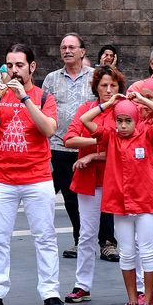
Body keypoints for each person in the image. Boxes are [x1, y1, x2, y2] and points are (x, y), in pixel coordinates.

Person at [0, 44, 64, 305]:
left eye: (19, 65)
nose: (13, 70)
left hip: (37, 177)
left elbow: (48, 129)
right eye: (9, 65)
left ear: (32, 67)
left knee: (45, 236)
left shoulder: (44, 97)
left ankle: (50, 293)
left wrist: (25, 99)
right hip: (2, 177)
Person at [81, 97, 153, 305]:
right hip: (120, 204)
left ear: (137, 119)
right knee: (127, 253)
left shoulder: (148, 134)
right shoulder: (110, 136)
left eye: (127, 121)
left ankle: (148, 303)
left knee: (148, 252)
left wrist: (141, 99)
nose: (123, 126)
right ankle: (133, 301)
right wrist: (109, 103)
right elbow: (85, 119)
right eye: (119, 120)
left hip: (145, 203)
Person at [62, 65, 124, 303]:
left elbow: (125, 149)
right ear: (96, 88)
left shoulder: (125, 109)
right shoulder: (88, 109)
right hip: (90, 181)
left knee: (130, 236)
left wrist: (92, 153)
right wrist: (100, 142)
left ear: (120, 87)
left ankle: (140, 287)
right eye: (103, 86)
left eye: (113, 85)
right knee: (87, 235)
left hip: (117, 179)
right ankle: (82, 285)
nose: (108, 90)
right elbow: (69, 139)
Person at [41, 33, 96, 260]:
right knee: (71, 197)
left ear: (83, 51)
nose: (67, 51)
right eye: (63, 47)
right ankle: (78, 240)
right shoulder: (51, 79)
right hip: (60, 145)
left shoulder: (95, 76)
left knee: (96, 195)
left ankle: (106, 241)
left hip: (89, 146)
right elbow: (44, 109)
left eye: (72, 47)